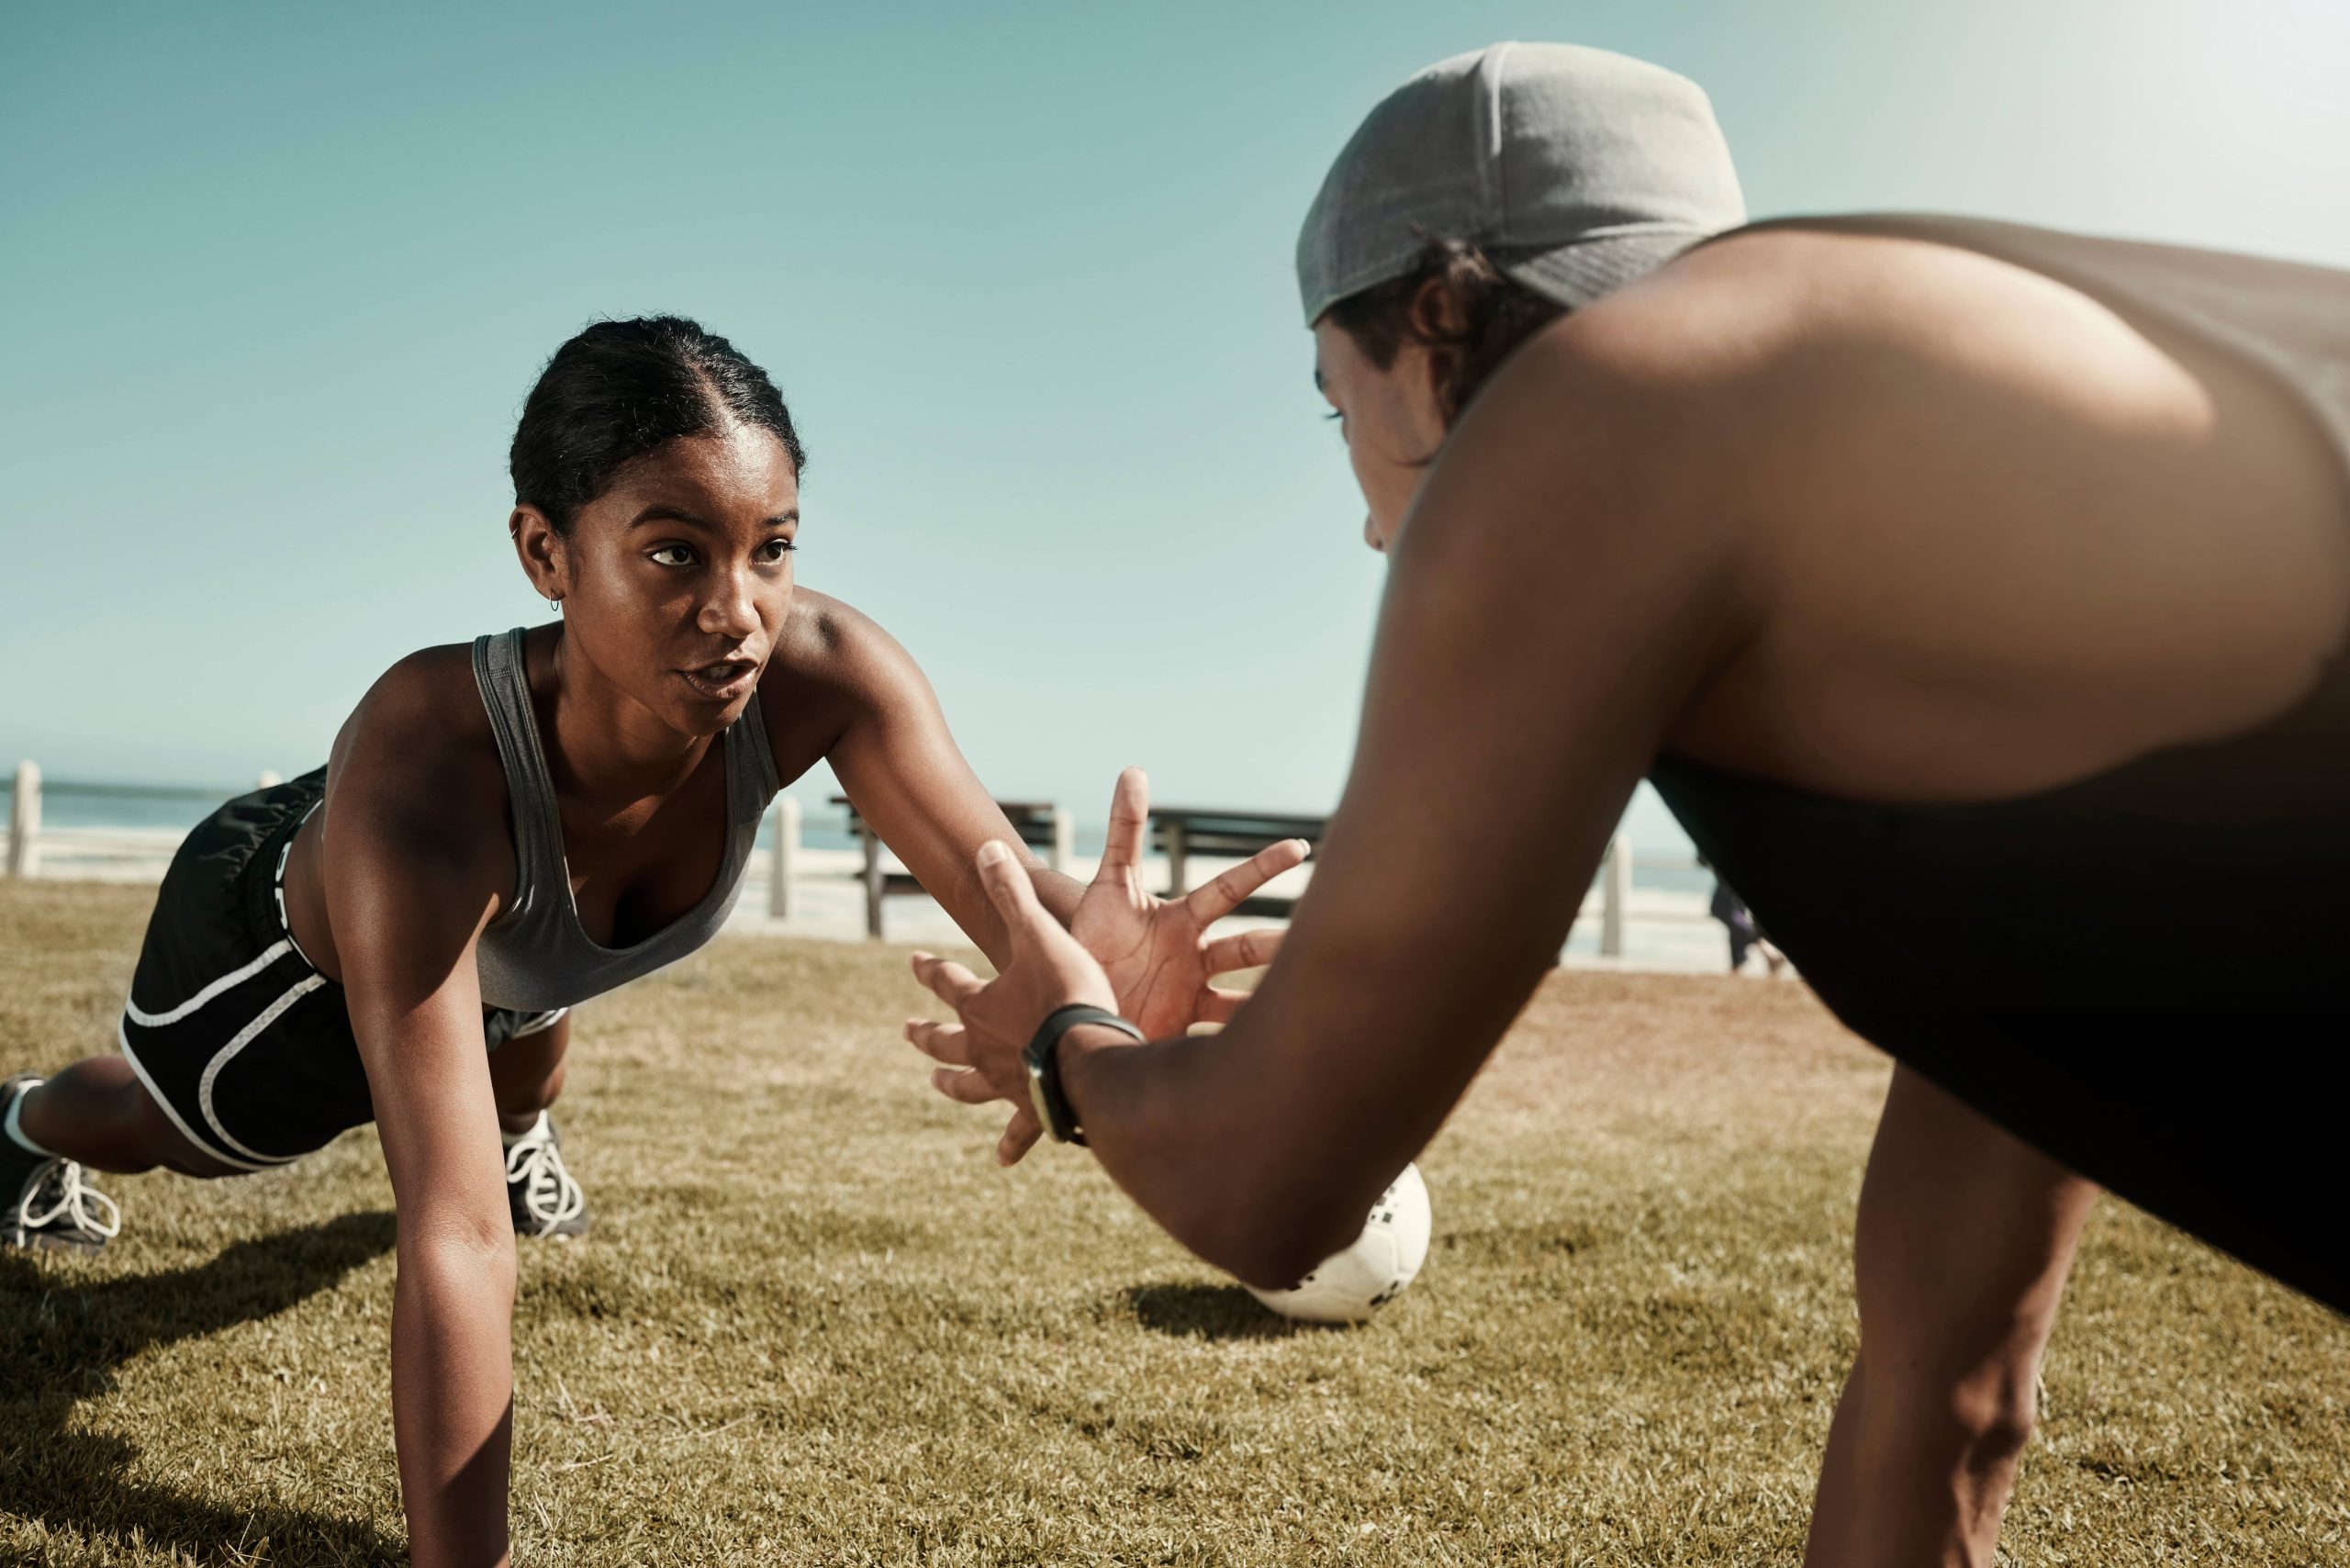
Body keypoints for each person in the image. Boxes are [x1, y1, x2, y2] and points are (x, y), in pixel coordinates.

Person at [901, 42, 2350, 1568]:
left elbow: (1272, 1185)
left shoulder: (1599, 414)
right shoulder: (1969, 551)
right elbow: (1950, 1389)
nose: (1373, 522)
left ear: (1437, 317)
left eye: (1340, 408)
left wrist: (1073, 1045)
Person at [0, 316, 1297, 1566]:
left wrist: (1107, 960)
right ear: (546, 553)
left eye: (772, 549)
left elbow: (1006, 895)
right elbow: (451, 1239)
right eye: (676, 554)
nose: (740, 610)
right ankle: (21, 1127)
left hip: (505, 943)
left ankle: (523, 1124)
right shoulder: (430, 769)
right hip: (278, 964)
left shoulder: (823, 675)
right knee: (184, 1134)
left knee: (526, 1038)